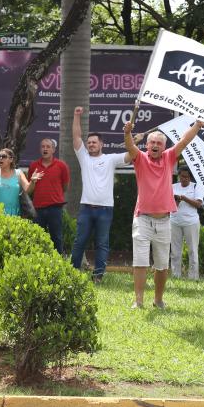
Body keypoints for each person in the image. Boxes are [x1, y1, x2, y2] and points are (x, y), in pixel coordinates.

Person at [123, 118, 204, 309]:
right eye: (152, 143)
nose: (155, 146)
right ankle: (139, 300)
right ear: (147, 145)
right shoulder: (140, 158)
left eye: (159, 143)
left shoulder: (169, 158)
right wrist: (127, 133)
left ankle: (158, 300)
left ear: (164, 147)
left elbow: (183, 141)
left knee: (162, 265)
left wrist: (197, 125)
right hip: (142, 218)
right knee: (140, 262)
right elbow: (130, 147)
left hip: (165, 220)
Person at [70, 106, 131, 282]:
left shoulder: (110, 159)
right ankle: (73, 273)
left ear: (101, 144)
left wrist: (131, 140)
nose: (90, 145)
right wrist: (76, 116)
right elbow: (76, 136)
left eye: (94, 142)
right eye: (89, 142)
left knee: (102, 244)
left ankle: (98, 276)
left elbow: (130, 156)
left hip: (105, 209)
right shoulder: (83, 157)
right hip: (86, 208)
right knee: (79, 242)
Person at [27, 138, 70, 253]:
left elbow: (65, 187)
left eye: (48, 147)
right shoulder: (33, 166)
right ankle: (37, 264)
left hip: (55, 208)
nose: (45, 149)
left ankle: (59, 264)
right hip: (38, 209)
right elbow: (29, 189)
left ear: (53, 150)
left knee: (57, 238)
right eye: (43, 146)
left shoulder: (61, 166)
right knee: (36, 238)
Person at [170, 165, 204, 280]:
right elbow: (169, 206)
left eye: (187, 177)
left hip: (191, 222)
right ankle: (176, 276)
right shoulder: (172, 187)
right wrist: (177, 201)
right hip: (174, 221)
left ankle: (193, 277)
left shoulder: (196, 187)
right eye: (182, 176)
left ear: (190, 177)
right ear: (179, 176)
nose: (184, 179)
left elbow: (199, 204)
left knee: (193, 250)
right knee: (175, 251)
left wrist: (184, 198)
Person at [0, 148, 39, 215]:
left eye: (4, 156)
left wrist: (32, 181)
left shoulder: (18, 173)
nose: (1, 158)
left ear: (11, 159)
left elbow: (28, 190)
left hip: (13, 214)